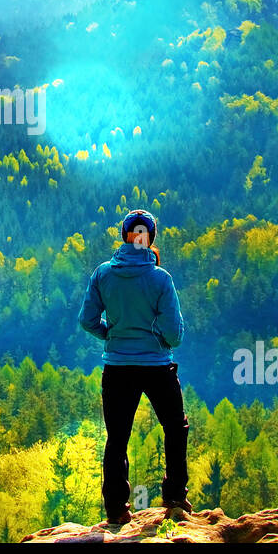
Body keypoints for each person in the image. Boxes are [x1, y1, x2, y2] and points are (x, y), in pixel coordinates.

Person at [78, 209, 190, 524]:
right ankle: (175, 497)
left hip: (117, 368)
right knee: (175, 428)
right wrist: (157, 338)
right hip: (157, 366)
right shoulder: (160, 278)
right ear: (150, 238)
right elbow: (175, 335)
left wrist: (110, 335)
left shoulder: (103, 274)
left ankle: (116, 509)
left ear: (125, 236)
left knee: (117, 438)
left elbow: (86, 320)